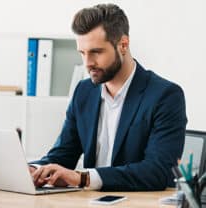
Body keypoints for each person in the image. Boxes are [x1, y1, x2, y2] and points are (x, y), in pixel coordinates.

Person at [29, 3, 187, 191]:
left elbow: (158, 171)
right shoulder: (84, 91)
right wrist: (33, 169)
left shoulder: (165, 96)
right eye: (82, 53)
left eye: (96, 52)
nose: (87, 63)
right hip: (89, 203)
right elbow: (63, 155)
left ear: (123, 45)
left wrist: (84, 178)